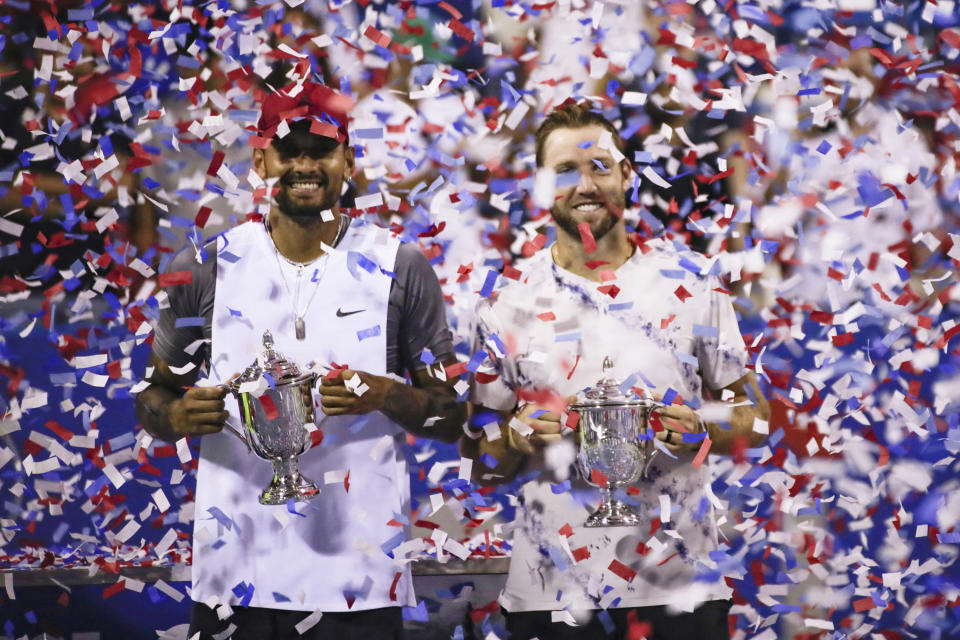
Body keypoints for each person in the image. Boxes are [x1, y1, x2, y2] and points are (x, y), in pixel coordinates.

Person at [134, 81, 466, 640]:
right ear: (262, 160)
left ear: (349, 160)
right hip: (234, 581)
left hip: (358, 581)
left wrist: (387, 394)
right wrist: (176, 418)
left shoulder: (401, 265)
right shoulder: (206, 266)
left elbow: (452, 416)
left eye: (322, 150)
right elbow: (153, 397)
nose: (305, 165)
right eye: (290, 151)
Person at [461, 100, 770, 639]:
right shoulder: (505, 306)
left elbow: (757, 419)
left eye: (599, 166)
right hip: (552, 594)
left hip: (680, 589)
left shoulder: (693, 284)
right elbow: (485, 464)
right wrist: (513, 436)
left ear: (627, 175)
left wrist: (702, 427)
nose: (585, 186)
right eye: (565, 171)